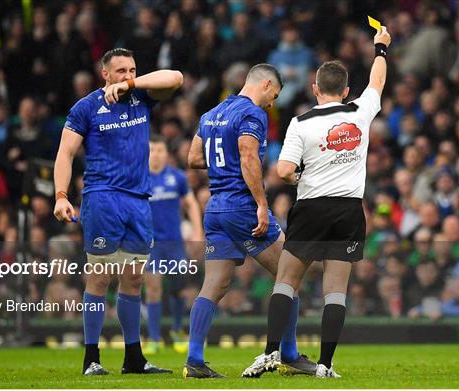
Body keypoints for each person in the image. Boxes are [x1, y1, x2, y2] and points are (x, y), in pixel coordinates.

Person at [242, 27, 392, 378]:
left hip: (311, 207)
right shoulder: (360, 110)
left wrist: (297, 177)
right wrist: (380, 48)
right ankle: (325, 365)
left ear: (315, 90)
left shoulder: (301, 122)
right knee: (335, 289)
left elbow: (282, 170)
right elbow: (379, 81)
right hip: (348, 209)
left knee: (286, 281)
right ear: (346, 91)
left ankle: (269, 353)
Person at [53, 48, 183, 375]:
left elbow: (176, 78)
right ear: (105, 74)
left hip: (139, 199)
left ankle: (133, 358)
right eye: (121, 71)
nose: (127, 75)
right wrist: (61, 195)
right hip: (103, 197)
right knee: (100, 276)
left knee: (134, 278)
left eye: (133, 69)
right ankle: (91, 358)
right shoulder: (86, 108)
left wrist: (132, 84)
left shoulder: (140, 95)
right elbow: (65, 154)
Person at [184, 63, 316, 378]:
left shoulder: (211, 114)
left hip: (215, 208)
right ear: (266, 84)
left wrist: (223, 166)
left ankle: (194, 360)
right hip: (242, 207)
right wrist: (260, 203)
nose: (273, 103)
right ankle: (290, 355)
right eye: (275, 95)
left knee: (214, 284)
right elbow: (246, 156)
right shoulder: (251, 113)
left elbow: (192, 158)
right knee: (290, 274)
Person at [144, 135, 203, 354]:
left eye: (160, 150)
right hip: (151, 244)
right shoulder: (140, 178)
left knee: (179, 290)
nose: (156, 155)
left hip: (175, 243)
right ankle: (153, 337)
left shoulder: (177, 177)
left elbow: (191, 203)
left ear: (166, 154)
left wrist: (197, 231)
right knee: (153, 288)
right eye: (152, 150)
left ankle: (178, 331)